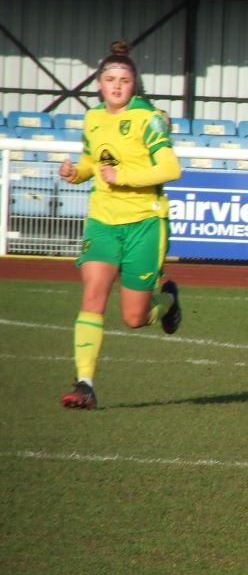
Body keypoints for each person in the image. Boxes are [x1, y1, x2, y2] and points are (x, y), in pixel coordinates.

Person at [57, 41, 183, 410]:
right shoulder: (93, 118)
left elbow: (171, 168)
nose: (116, 86)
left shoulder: (149, 118)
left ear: (134, 85)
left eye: (124, 80)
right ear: (98, 84)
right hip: (102, 220)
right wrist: (76, 172)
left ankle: (169, 301)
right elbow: (90, 162)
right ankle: (84, 384)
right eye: (109, 79)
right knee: (92, 296)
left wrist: (123, 175)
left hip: (145, 222)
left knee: (134, 317)